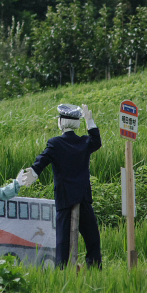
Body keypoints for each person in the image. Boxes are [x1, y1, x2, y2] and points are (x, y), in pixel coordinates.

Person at [29, 103, 102, 268]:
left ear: (61, 122)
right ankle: (95, 269)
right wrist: (90, 122)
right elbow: (97, 141)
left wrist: (33, 172)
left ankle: (62, 269)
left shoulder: (55, 143)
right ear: (76, 123)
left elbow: (43, 160)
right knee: (92, 237)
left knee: (63, 238)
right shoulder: (84, 142)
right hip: (83, 195)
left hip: (64, 196)